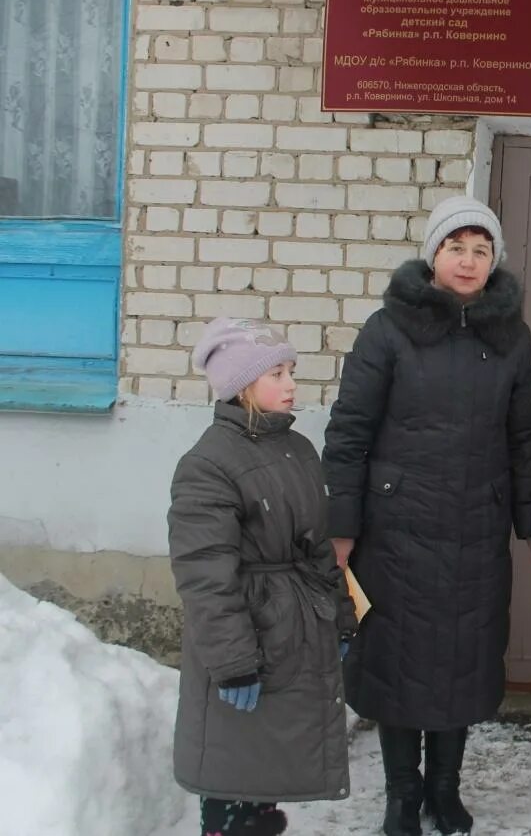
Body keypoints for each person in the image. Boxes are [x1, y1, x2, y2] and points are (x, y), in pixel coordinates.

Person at [323, 196, 531, 836]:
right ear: (433, 255)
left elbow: (524, 433)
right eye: (457, 247)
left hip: (477, 528)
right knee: (398, 663)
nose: (469, 261)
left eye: (482, 250)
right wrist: (341, 527)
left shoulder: (511, 335)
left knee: (462, 663)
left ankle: (445, 791)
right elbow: (349, 432)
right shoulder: (387, 329)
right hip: (397, 531)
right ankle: (402, 795)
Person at [168, 318, 353, 836]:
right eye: (276, 373)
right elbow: (205, 574)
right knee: (232, 779)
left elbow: (320, 550)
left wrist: (340, 618)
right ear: (241, 385)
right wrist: (232, 662)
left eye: (291, 370)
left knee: (269, 788)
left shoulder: (296, 449)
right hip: (247, 640)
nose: (292, 383)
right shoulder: (208, 464)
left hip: (295, 634)